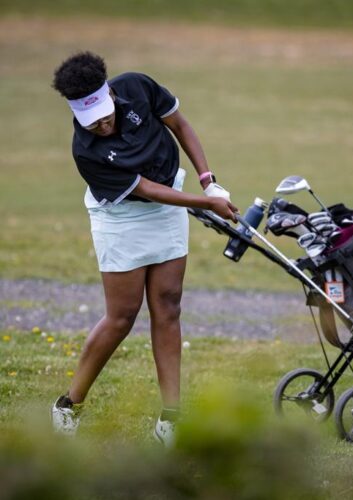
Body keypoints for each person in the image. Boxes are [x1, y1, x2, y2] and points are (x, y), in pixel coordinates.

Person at [51, 51, 238, 446]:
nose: (102, 125)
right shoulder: (86, 151)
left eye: (105, 114)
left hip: (170, 201)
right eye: (92, 122)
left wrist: (208, 181)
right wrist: (206, 203)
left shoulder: (138, 86)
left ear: (111, 94)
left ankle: (171, 417)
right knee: (121, 317)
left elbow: (180, 125)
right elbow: (145, 190)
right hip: (122, 218)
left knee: (168, 305)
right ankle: (69, 403)